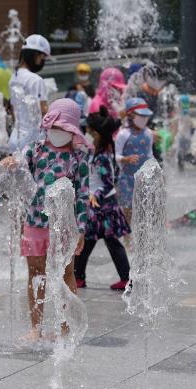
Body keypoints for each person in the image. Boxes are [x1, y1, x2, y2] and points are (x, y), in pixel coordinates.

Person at [1, 98, 90, 341]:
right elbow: (19, 163)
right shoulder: (36, 149)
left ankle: (65, 325)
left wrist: (80, 229)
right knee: (35, 273)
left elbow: (83, 195)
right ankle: (35, 326)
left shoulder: (79, 158)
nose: (58, 132)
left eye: (64, 128)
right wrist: (11, 162)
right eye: (55, 127)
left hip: (64, 225)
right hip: (35, 221)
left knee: (66, 274)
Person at [74, 106, 131, 290]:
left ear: (97, 135)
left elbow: (108, 183)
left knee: (102, 242)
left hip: (103, 206)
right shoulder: (96, 154)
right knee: (91, 242)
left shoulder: (103, 157)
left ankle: (125, 278)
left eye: (89, 132)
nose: (86, 134)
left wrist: (94, 195)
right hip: (98, 206)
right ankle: (79, 276)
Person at [115, 97, 155, 229]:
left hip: (144, 178)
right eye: (140, 116)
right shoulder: (123, 134)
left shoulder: (148, 133)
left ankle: (143, 236)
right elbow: (116, 155)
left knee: (145, 208)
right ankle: (128, 240)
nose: (144, 119)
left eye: (145, 116)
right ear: (130, 115)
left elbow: (149, 154)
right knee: (128, 210)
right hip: (127, 178)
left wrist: (156, 170)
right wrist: (125, 159)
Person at [9, 34, 51, 153]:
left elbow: (13, 110)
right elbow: (43, 111)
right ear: (35, 55)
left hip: (15, 138)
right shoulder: (35, 79)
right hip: (32, 142)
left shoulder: (14, 77)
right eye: (42, 58)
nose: (42, 61)